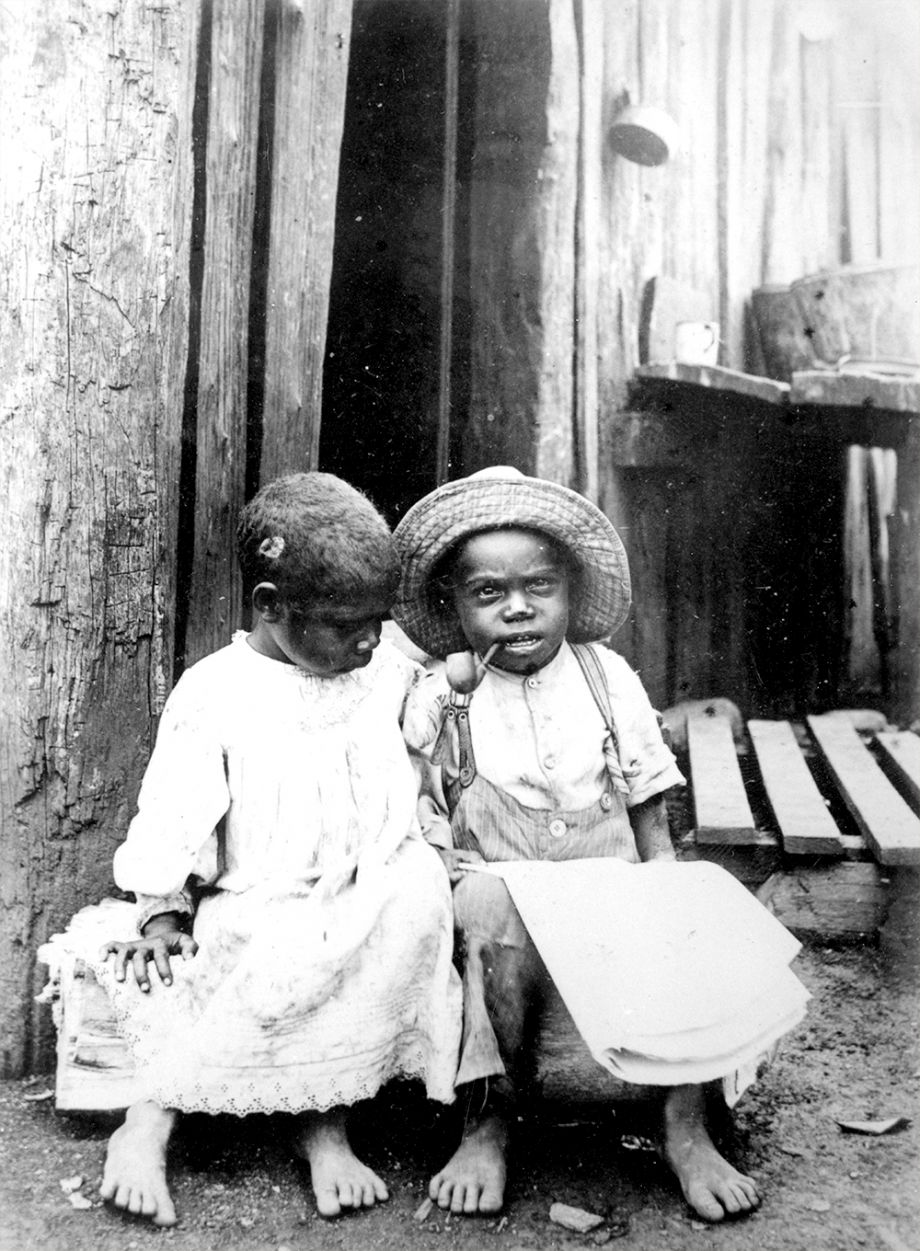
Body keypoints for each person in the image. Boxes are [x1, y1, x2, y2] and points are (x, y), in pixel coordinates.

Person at [392, 466, 809, 1223]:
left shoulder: (603, 673)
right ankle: (488, 1120)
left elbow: (649, 798)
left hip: (605, 884)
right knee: (484, 904)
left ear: (570, 592)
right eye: (488, 593)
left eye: (539, 586)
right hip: (505, 887)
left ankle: (684, 1125)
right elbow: (416, 800)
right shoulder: (440, 694)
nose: (518, 608)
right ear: (455, 605)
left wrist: (666, 883)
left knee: (686, 896)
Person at [64, 472, 462, 1226]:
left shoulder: (376, 671)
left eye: (379, 620)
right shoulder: (217, 692)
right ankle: (144, 1126)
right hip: (264, 893)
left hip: (361, 883)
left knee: (415, 897)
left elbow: (425, 709)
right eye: (348, 624)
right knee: (259, 954)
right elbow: (174, 810)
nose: (370, 639)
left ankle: (323, 1121)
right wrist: (160, 911)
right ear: (271, 606)